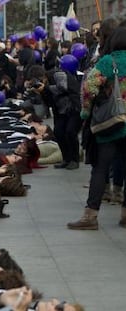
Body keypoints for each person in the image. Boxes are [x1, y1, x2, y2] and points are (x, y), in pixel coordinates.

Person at [67, 26, 126, 230]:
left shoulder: (108, 61)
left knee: (100, 169)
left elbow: (89, 87)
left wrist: (86, 112)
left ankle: (90, 216)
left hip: (110, 124)